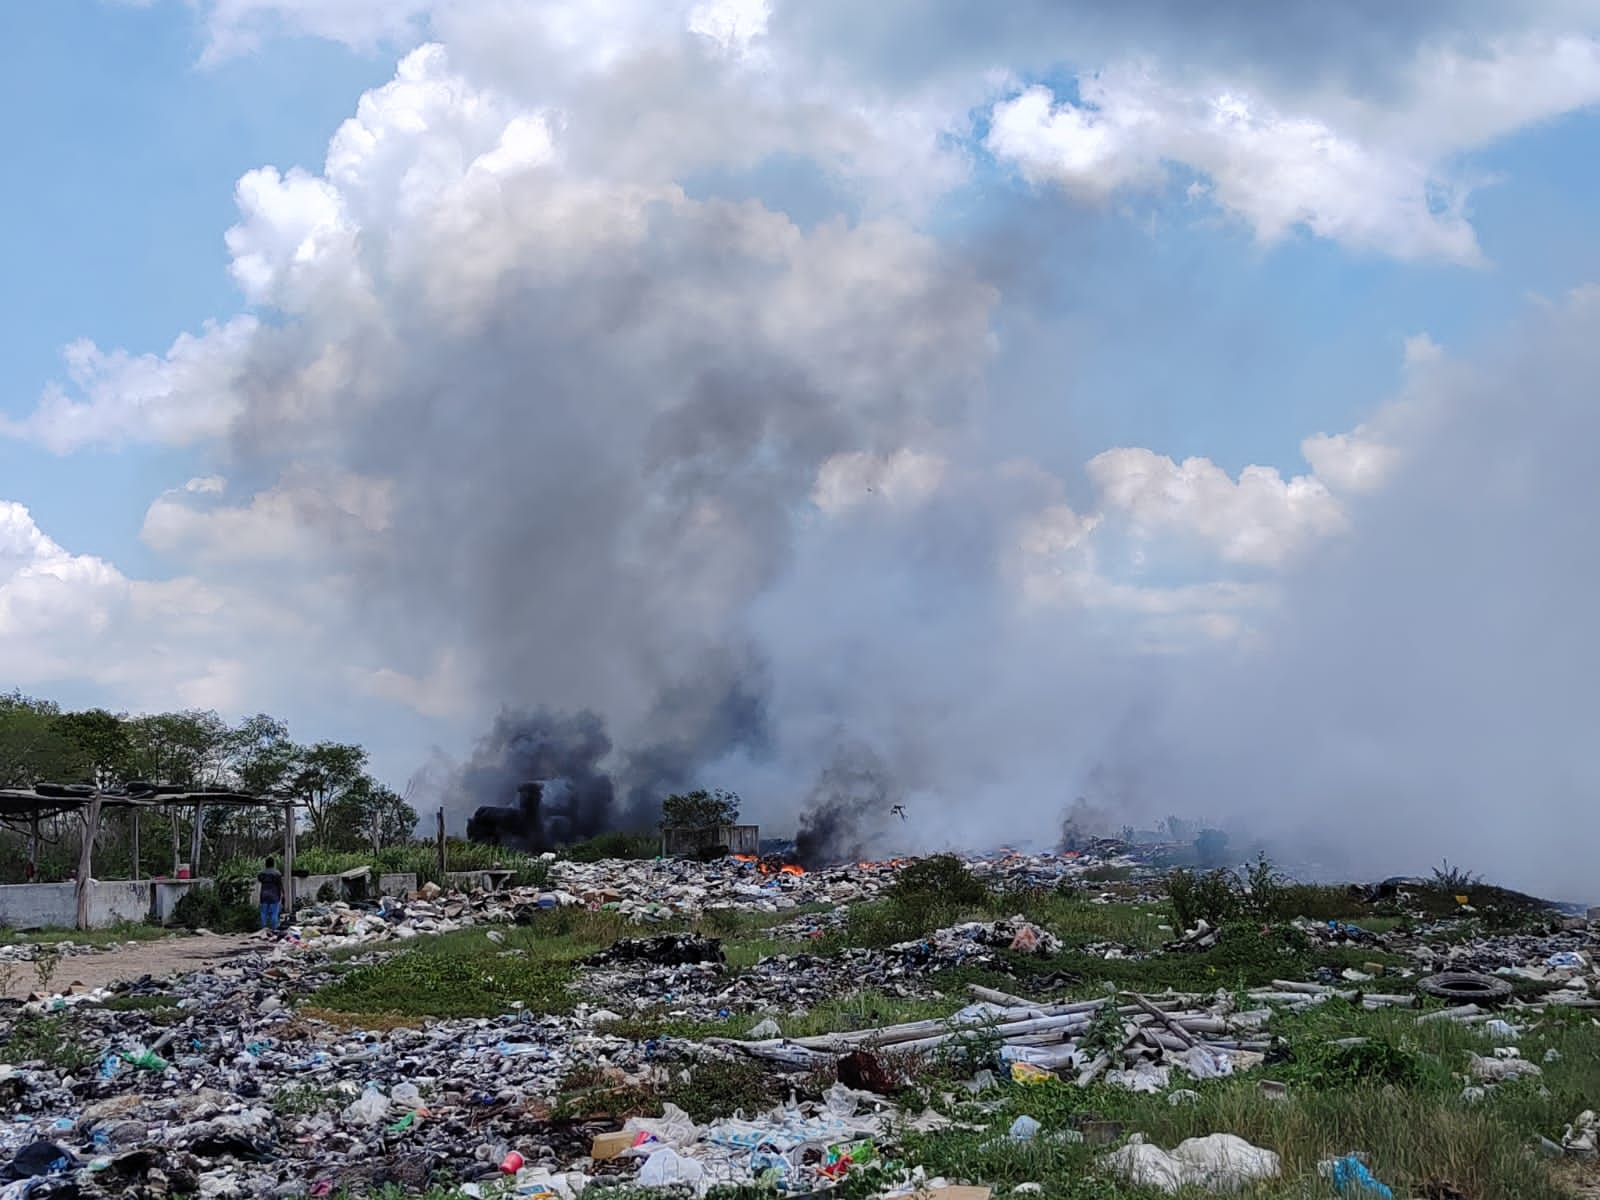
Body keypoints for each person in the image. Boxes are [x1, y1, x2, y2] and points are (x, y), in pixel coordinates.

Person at [258, 857, 284, 932]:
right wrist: (282, 894)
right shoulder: (277, 873)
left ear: (266, 864)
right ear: (273, 864)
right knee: (274, 913)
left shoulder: (261, 874)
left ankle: (263, 929)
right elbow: (280, 885)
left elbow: (260, 880)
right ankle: (274, 929)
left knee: (263, 913)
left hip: (264, 895)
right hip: (274, 895)